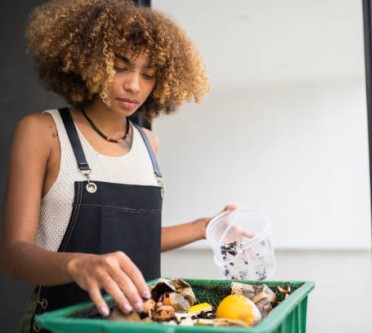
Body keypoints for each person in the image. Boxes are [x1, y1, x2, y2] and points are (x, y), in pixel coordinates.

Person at [0, 0, 234, 331]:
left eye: (148, 74)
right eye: (120, 66)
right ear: (90, 61)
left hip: (139, 325)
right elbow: (13, 254)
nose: (134, 85)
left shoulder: (148, 144)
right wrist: (76, 265)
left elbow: (134, 239)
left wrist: (204, 226)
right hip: (61, 325)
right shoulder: (43, 132)